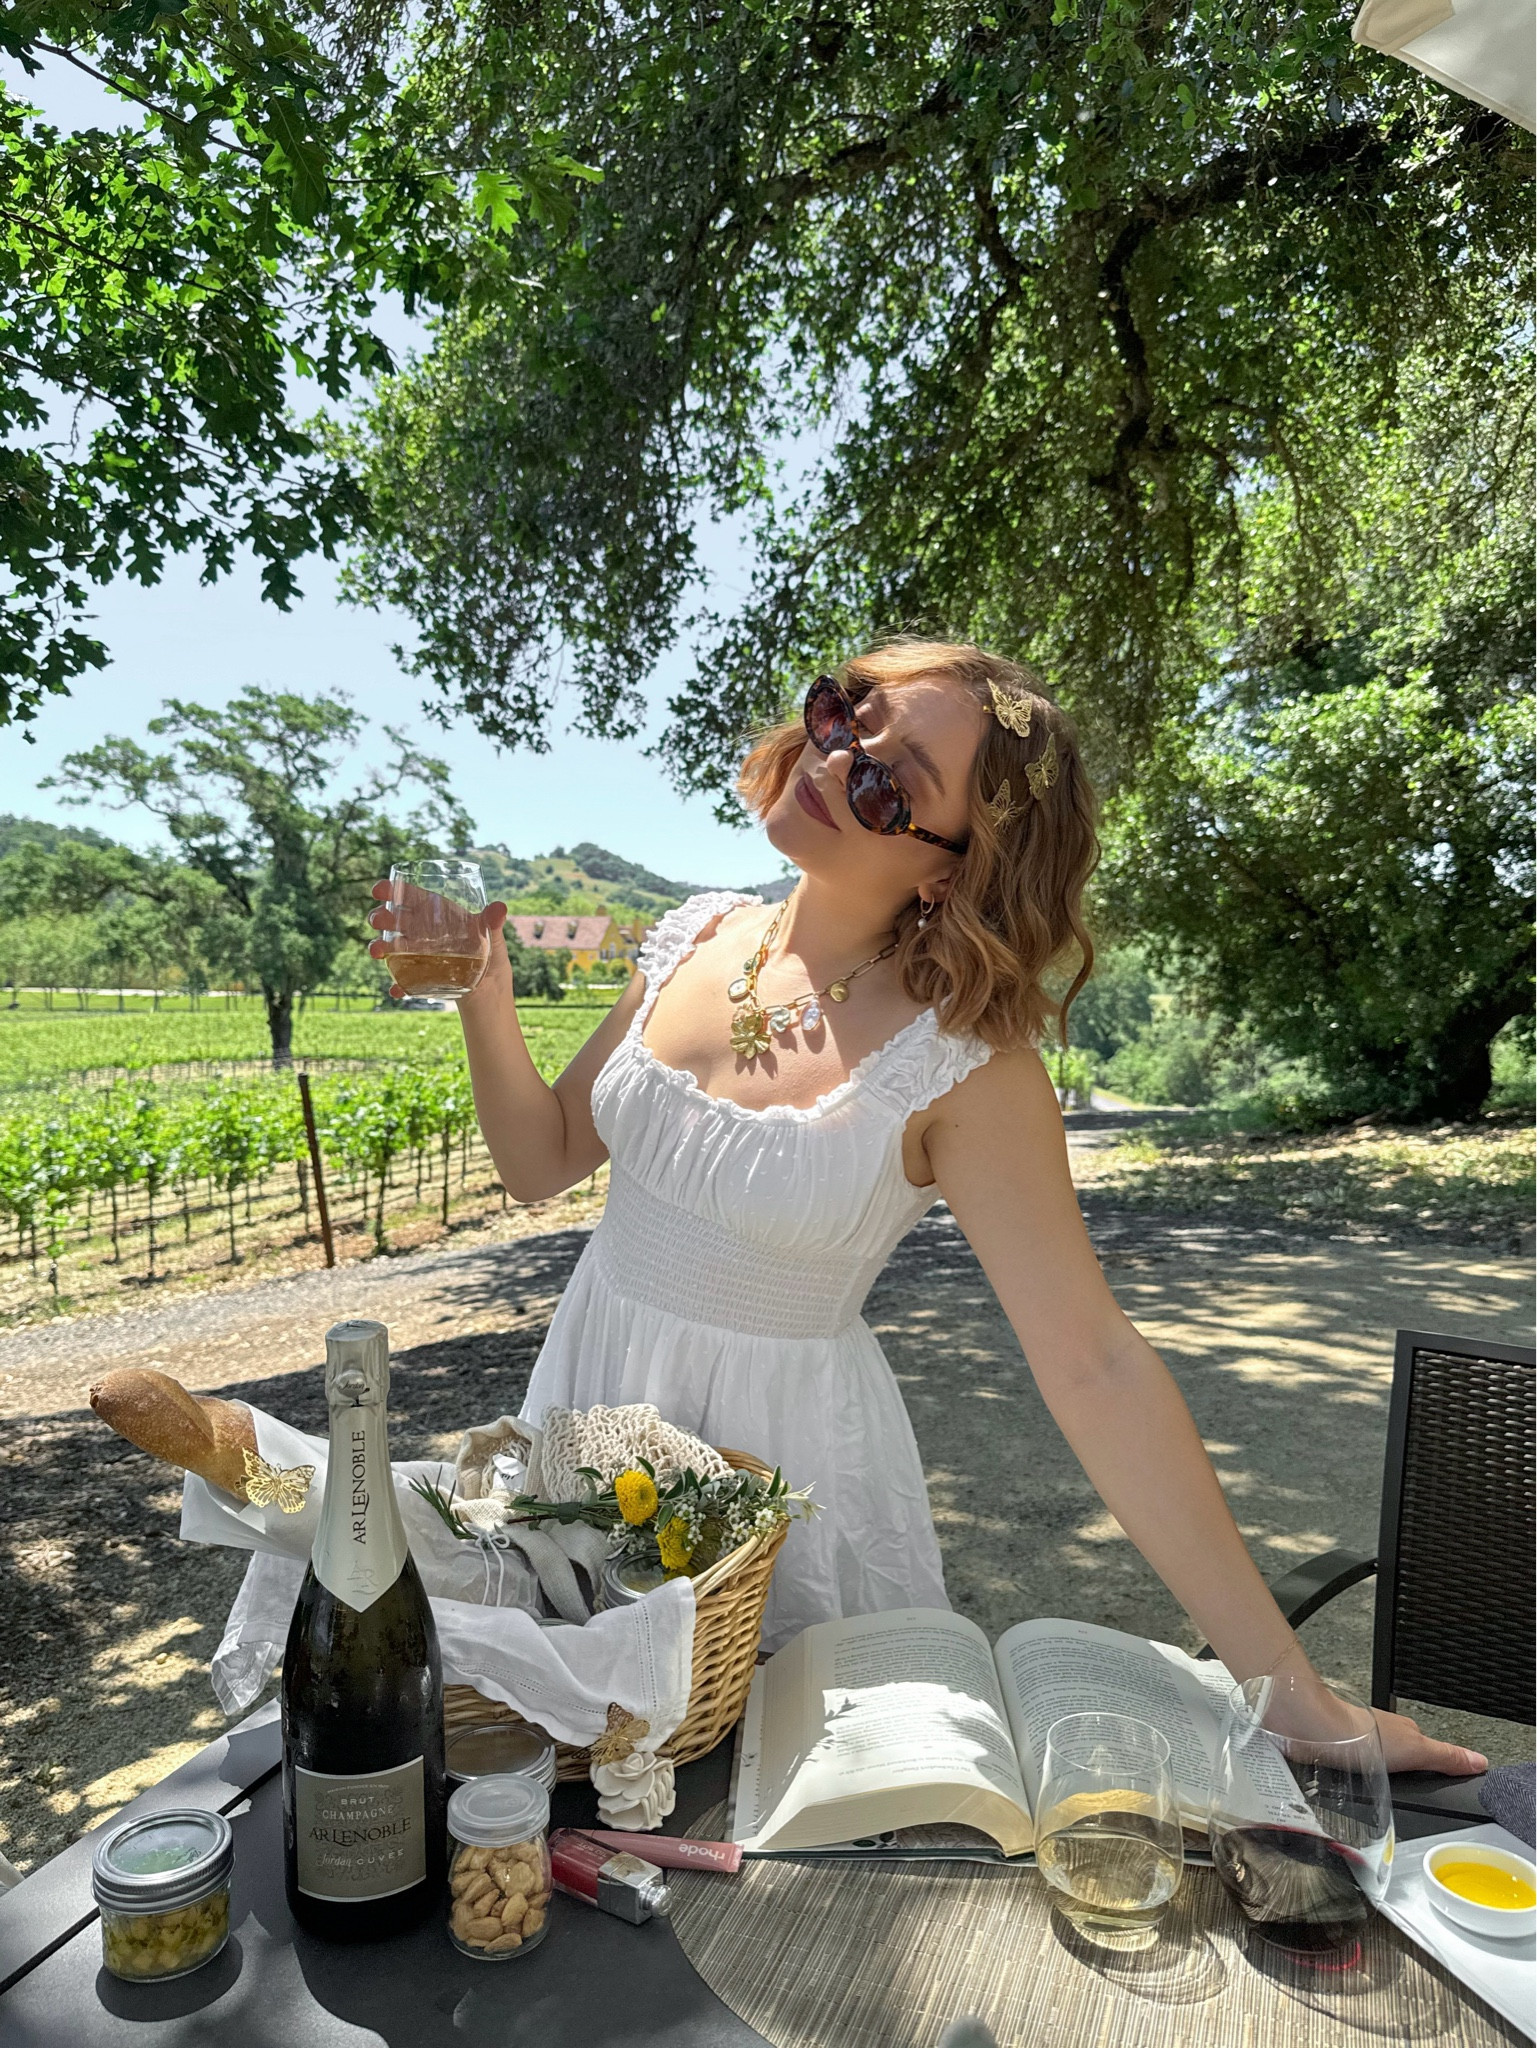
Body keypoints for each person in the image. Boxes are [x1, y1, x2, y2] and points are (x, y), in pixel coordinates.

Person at [371, 638, 1483, 1774]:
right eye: (846, 712)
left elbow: (1094, 1366)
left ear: (949, 867)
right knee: (552, 1773)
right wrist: (482, 994)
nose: (832, 755)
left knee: (758, 1819)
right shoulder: (691, 937)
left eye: (885, 783)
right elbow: (542, 1156)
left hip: (783, 1494)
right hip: (584, 1414)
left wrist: (1291, 1695)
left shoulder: (964, 1066)